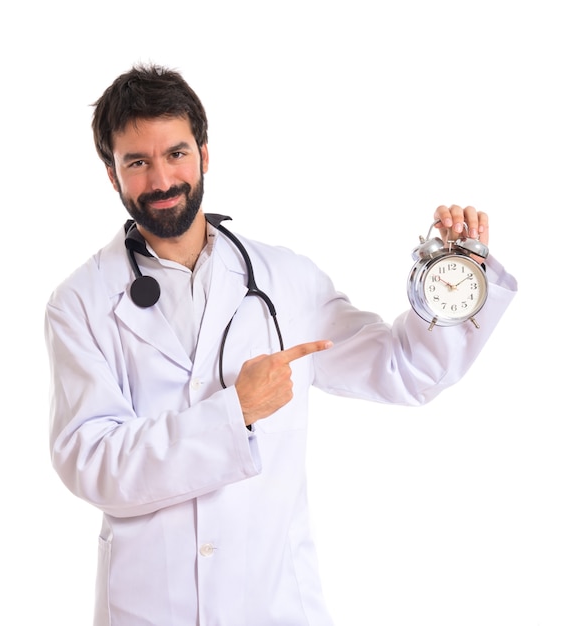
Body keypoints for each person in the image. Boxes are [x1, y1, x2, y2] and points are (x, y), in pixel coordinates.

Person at [45, 63, 518, 626]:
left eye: (176, 154)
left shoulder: (284, 281)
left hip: (271, 603)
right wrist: (234, 411)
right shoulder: (80, 302)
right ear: (111, 173)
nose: (162, 181)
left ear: (204, 153)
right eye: (137, 162)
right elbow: (90, 463)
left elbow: (405, 369)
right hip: (149, 606)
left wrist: (454, 277)